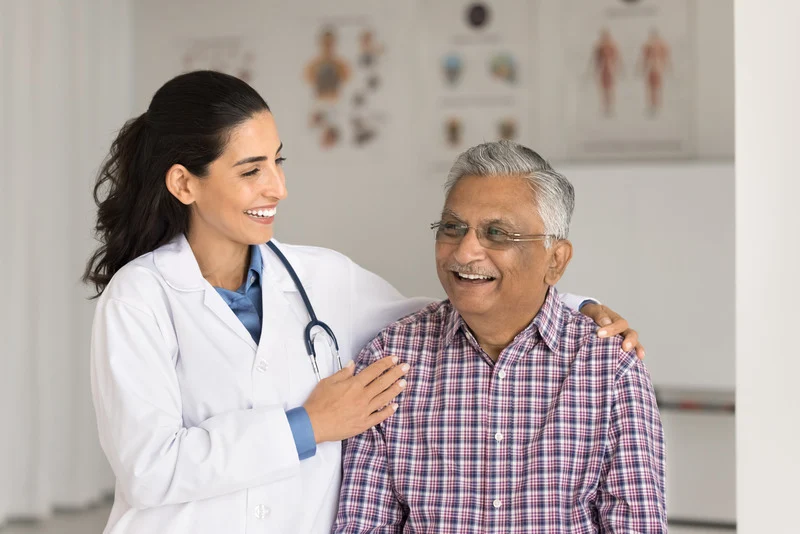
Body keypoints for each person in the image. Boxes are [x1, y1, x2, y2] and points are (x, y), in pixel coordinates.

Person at [85, 71, 643, 534]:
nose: (277, 187)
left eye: (279, 162)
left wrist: (574, 305)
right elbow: (148, 471)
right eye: (251, 170)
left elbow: (458, 301)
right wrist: (310, 424)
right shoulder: (138, 299)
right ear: (185, 184)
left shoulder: (321, 278)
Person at [335, 141, 667, 533]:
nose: (465, 251)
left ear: (555, 260)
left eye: (497, 233)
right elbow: (364, 524)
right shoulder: (391, 358)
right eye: (452, 228)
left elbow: (637, 525)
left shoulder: (608, 368)